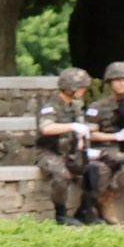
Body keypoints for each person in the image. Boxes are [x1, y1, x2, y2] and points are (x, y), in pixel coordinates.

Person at [84, 60, 124, 220]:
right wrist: (116, 136)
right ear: (109, 82)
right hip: (104, 148)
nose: (121, 84)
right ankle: (108, 199)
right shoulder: (98, 106)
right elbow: (91, 134)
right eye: (117, 80)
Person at [33, 65, 97, 223]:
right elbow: (47, 128)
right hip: (49, 152)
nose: (83, 91)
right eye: (81, 88)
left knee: (96, 170)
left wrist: (83, 144)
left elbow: (82, 129)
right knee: (62, 175)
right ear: (71, 88)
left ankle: (86, 209)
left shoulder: (74, 107)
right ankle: (61, 213)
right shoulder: (51, 107)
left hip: (70, 152)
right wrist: (72, 126)